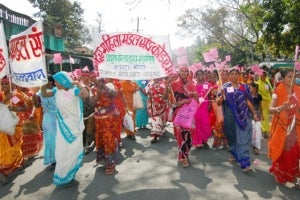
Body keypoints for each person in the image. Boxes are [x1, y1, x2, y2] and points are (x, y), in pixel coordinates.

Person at [41, 71, 89, 186]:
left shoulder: (74, 91)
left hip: (74, 127)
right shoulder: (56, 91)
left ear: (63, 81)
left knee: (72, 151)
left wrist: (78, 83)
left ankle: (70, 172)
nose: (55, 84)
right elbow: (44, 94)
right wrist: (42, 83)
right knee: (62, 151)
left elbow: (85, 95)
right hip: (62, 126)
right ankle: (62, 175)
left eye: (57, 81)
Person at [217, 68, 259, 172]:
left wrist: (254, 113)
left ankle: (244, 162)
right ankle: (235, 153)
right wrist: (222, 95)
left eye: (236, 74)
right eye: (232, 74)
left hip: (243, 115)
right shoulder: (224, 87)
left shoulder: (244, 87)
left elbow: (248, 101)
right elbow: (218, 102)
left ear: (239, 75)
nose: (234, 76)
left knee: (243, 137)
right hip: (230, 115)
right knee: (232, 136)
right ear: (229, 76)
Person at [268, 69, 300, 188]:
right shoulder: (277, 90)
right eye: (289, 77)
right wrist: (280, 108)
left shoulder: (298, 90)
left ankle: (294, 176)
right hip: (283, 128)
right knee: (283, 152)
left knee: (295, 152)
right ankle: (280, 173)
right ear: (282, 79)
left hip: (296, 127)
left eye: (293, 77)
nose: (292, 79)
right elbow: (270, 109)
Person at [168, 66, 198, 167]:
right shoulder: (174, 84)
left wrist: (192, 97)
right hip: (178, 112)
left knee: (189, 135)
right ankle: (184, 156)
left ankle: (184, 153)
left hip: (190, 113)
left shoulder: (193, 84)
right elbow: (168, 99)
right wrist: (182, 102)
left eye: (186, 71)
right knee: (180, 135)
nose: (184, 73)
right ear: (179, 72)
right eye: (182, 71)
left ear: (188, 73)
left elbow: (197, 99)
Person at [91, 78, 121, 175]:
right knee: (101, 139)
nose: (96, 80)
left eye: (100, 80)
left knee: (109, 139)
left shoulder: (109, 86)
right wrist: (98, 94)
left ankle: (110, 163)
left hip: (110, 119)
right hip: (99, 120)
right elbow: (91, 104)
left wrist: (104, 87)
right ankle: (105, 159)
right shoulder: (92, 89)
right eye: (95, 79)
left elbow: (116, 94)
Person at [0, 78, 25, 184]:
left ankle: (14, 164)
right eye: (2, 84)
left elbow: (24, 107)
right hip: (1, 128)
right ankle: (2, 172)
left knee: (14, 149)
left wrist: (15, 109)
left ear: (11, 84)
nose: (4, 86)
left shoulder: (15, 96)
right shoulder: (0, 95)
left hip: (14, 127)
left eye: (6, 84)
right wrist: (5, 101)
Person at [37, 75, 57, 170]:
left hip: (58, 118)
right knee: (50, 140)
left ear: (52, 82)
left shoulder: (57, 90)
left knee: (59, 140)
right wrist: (34, 98)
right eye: (44, 81)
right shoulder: (39, 93)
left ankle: (61, 158)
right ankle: (53, 160)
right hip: (48, 118)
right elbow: (37, 105)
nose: (46, 83)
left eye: (48, 81)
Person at [192, 69, 212, 148]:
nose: (200, 76)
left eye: (201, 74)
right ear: (196, 77)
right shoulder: (194, 85)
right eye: (198, 75)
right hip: (196, 107)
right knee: (197, 124)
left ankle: (205, 140)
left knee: (205, 123)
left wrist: (210, 104)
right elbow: (191, 95)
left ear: (204, 75)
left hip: (204, 107)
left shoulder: (207, 84)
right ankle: (198, 142)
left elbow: (210, 95)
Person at [146, 78, 168, 143]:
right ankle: (155, 136)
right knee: (155, 121)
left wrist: (166, 86)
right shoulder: (150, 83)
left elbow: (166, 95)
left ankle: (162, 130)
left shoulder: (164, 83)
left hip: (162, 105)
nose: (156, 78)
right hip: (153, 106)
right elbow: (146, 93)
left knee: (162, 120)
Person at [255, 71, 272, 139]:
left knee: (267, 117)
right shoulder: (257, 84)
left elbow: (270, 91)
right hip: (261, 102)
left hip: (268, 102)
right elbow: (257, 93)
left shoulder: (267, 83)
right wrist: (264, 98)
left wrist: (270, 98)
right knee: (263, 116)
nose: (263, 77)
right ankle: (265, 131)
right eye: (261, 76)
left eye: (264, 76)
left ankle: (266, 130)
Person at [249, 82, 263, 155]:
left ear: (255, 88)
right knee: (250, 131)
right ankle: (249, 146)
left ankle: (256, 147)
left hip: (257, 116)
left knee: (257, 132)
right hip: (248, 115)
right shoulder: (247, 96)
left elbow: (260, 107)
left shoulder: (259, 96)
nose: (249, 89)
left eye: (250, 87)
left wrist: (261, 115)